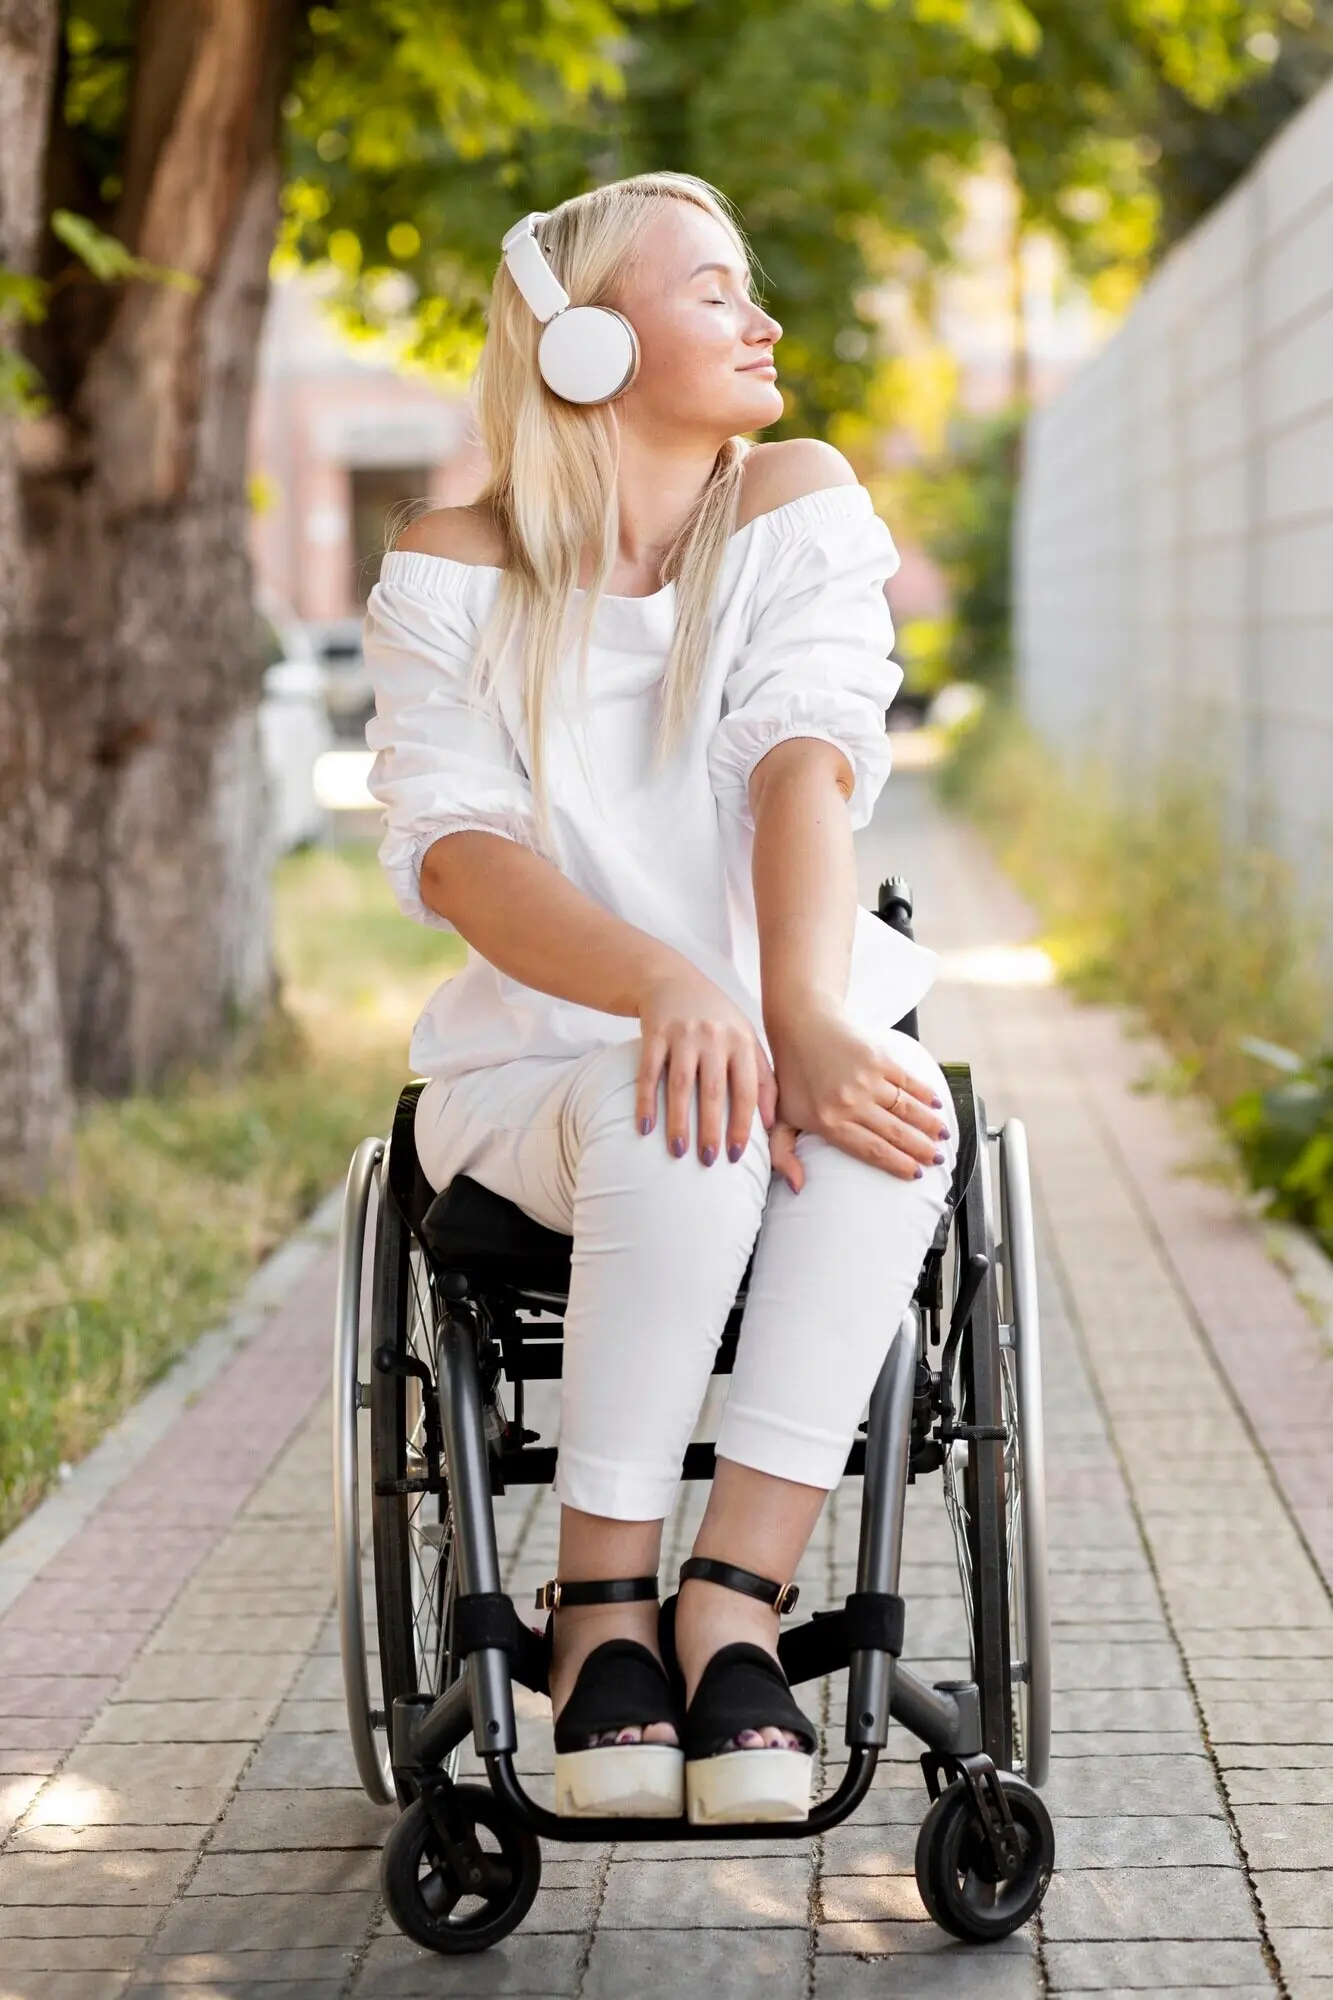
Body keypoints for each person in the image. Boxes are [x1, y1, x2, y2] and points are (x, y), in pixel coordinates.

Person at [362, 171, 956, 1828]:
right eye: (717, 292)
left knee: (887, 1130)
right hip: (545, 1071)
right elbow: (462, 851)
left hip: (779, 1010)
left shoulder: (792, 503)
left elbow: (802, 759)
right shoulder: (451, 568)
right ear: (589, 344)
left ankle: (731, 1606)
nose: (765, 321)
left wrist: (802, 1008)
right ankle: (597, 1606)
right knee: (671, 1105)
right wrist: (663, 988)